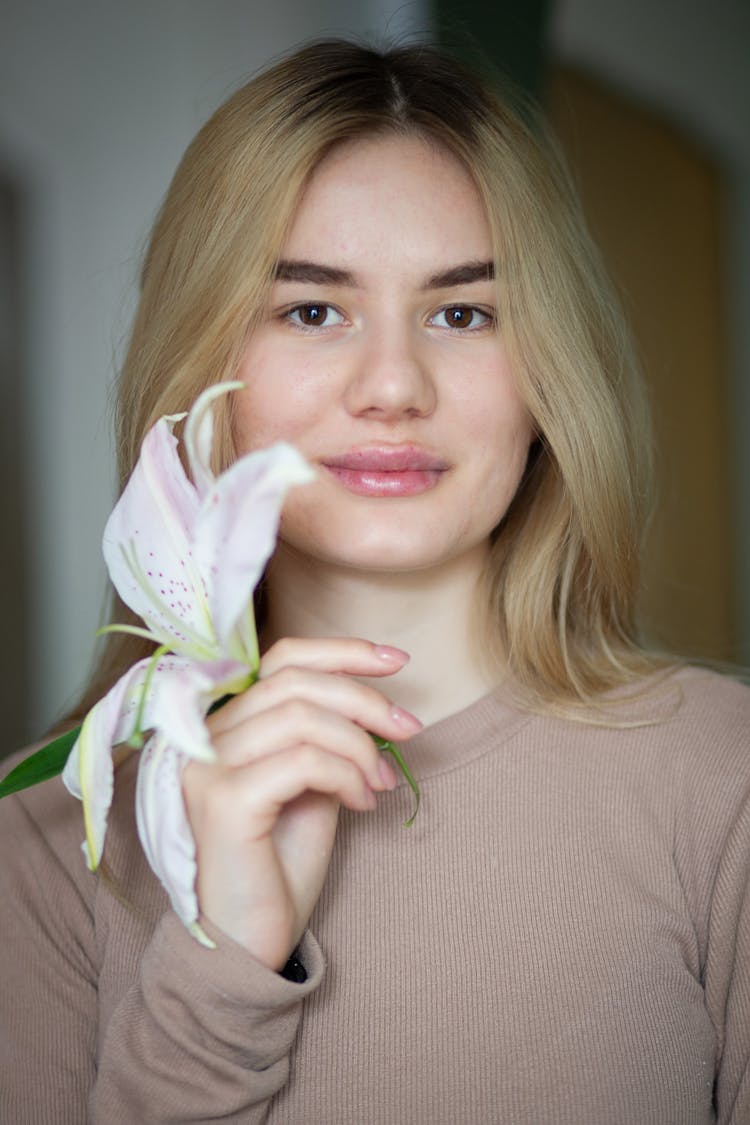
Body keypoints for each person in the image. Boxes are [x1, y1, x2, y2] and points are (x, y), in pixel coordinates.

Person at [1, 38, 749, 1125]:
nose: (393, 386)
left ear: (548, 378)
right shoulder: (44, 838)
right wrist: (218, 970)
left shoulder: (721, 782)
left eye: (463, 313)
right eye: (311, 310)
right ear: (198, 360)